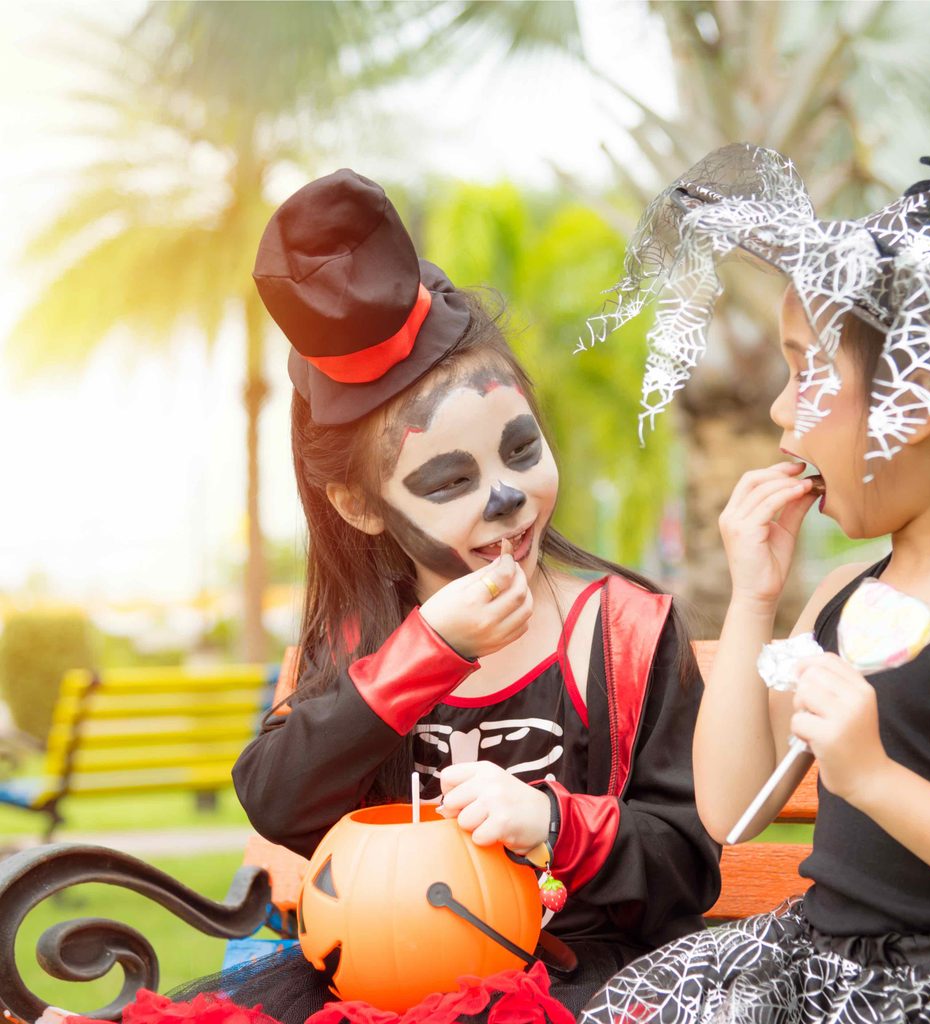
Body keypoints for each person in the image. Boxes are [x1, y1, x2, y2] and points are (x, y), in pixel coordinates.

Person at [196, 168, 720, 1022]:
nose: (506, 497)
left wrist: (552, 823)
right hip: (389, 986)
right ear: (360, 506)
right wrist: (427, 652)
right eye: (450, 482)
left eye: (521, 450)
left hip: (583, 985)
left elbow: (689, 864)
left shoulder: (624, 631)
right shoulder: (368, 638)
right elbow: (278, 801)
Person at [578, 140, 930, 1022]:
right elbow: (733, 808)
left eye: (809, 369)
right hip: (817, 972)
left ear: (916, 396)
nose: (782, 408)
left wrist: (874, 778)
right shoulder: (841, 599)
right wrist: (754, 596)